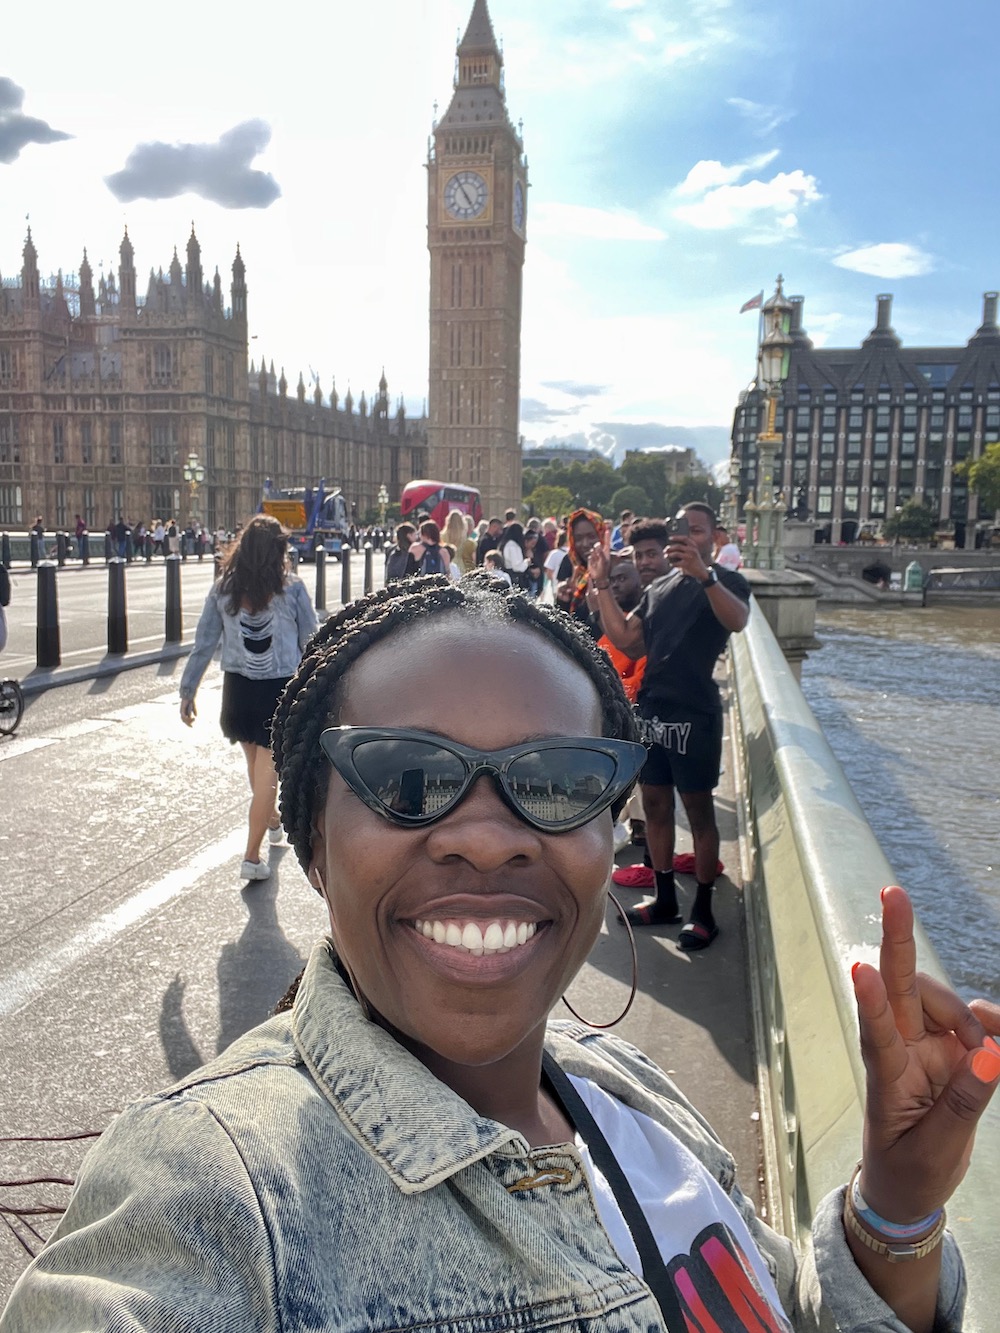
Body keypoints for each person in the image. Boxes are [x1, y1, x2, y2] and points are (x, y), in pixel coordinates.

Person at [3, 574, 998, 1333]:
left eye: (557, 779)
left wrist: (894, 1212)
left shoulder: (629, 1089)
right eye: (405, 777)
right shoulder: (212, 1190)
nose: (486, 835)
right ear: (311, 840)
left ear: (607, 831)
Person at [590, 503, 749, 947]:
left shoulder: (725, 582)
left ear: (714, 537)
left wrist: (705, 574)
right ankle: (664, 899)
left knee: (699, 814)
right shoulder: (658, 590)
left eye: (696, 531)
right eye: (683, 530)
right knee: (656, 807)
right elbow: (625, 638)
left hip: (695, 712)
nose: (688, 538)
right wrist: (601, 580)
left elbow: (738, 620)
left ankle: (702, 910)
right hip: (655, 711)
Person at [177, 514, 318, 881]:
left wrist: (188, 691)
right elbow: (311, 640)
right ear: (277, 552)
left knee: (258, 766)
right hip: (277, 690)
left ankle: (269, 818)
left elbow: (204, 642)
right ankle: (252, 858)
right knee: (268, 774)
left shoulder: (223, 589)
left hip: (238, 689)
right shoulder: (293, 589)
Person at [443, 509, 476, 576]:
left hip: (446, 567)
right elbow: (474, 561)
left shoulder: (441, 537)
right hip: (462, 568)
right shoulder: (469, 543)